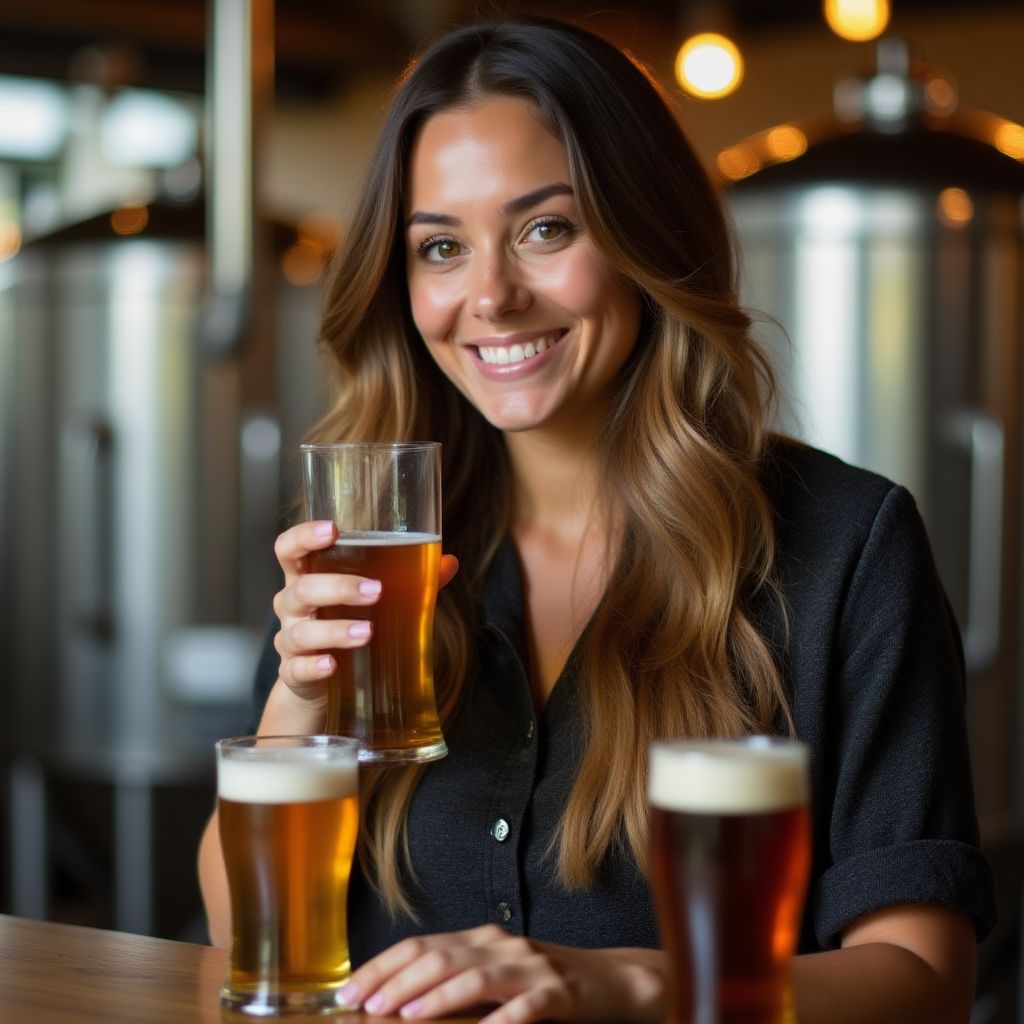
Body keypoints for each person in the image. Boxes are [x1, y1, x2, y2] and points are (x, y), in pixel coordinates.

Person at [198, 15, 995, 1023]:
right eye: (440, 247)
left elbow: (925, 983)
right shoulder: (376, 545)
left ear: (644, 234)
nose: (489, 295)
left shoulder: (843, 543)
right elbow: (238, 935)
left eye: (545, 228)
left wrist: (620, 982)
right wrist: (301, 701)